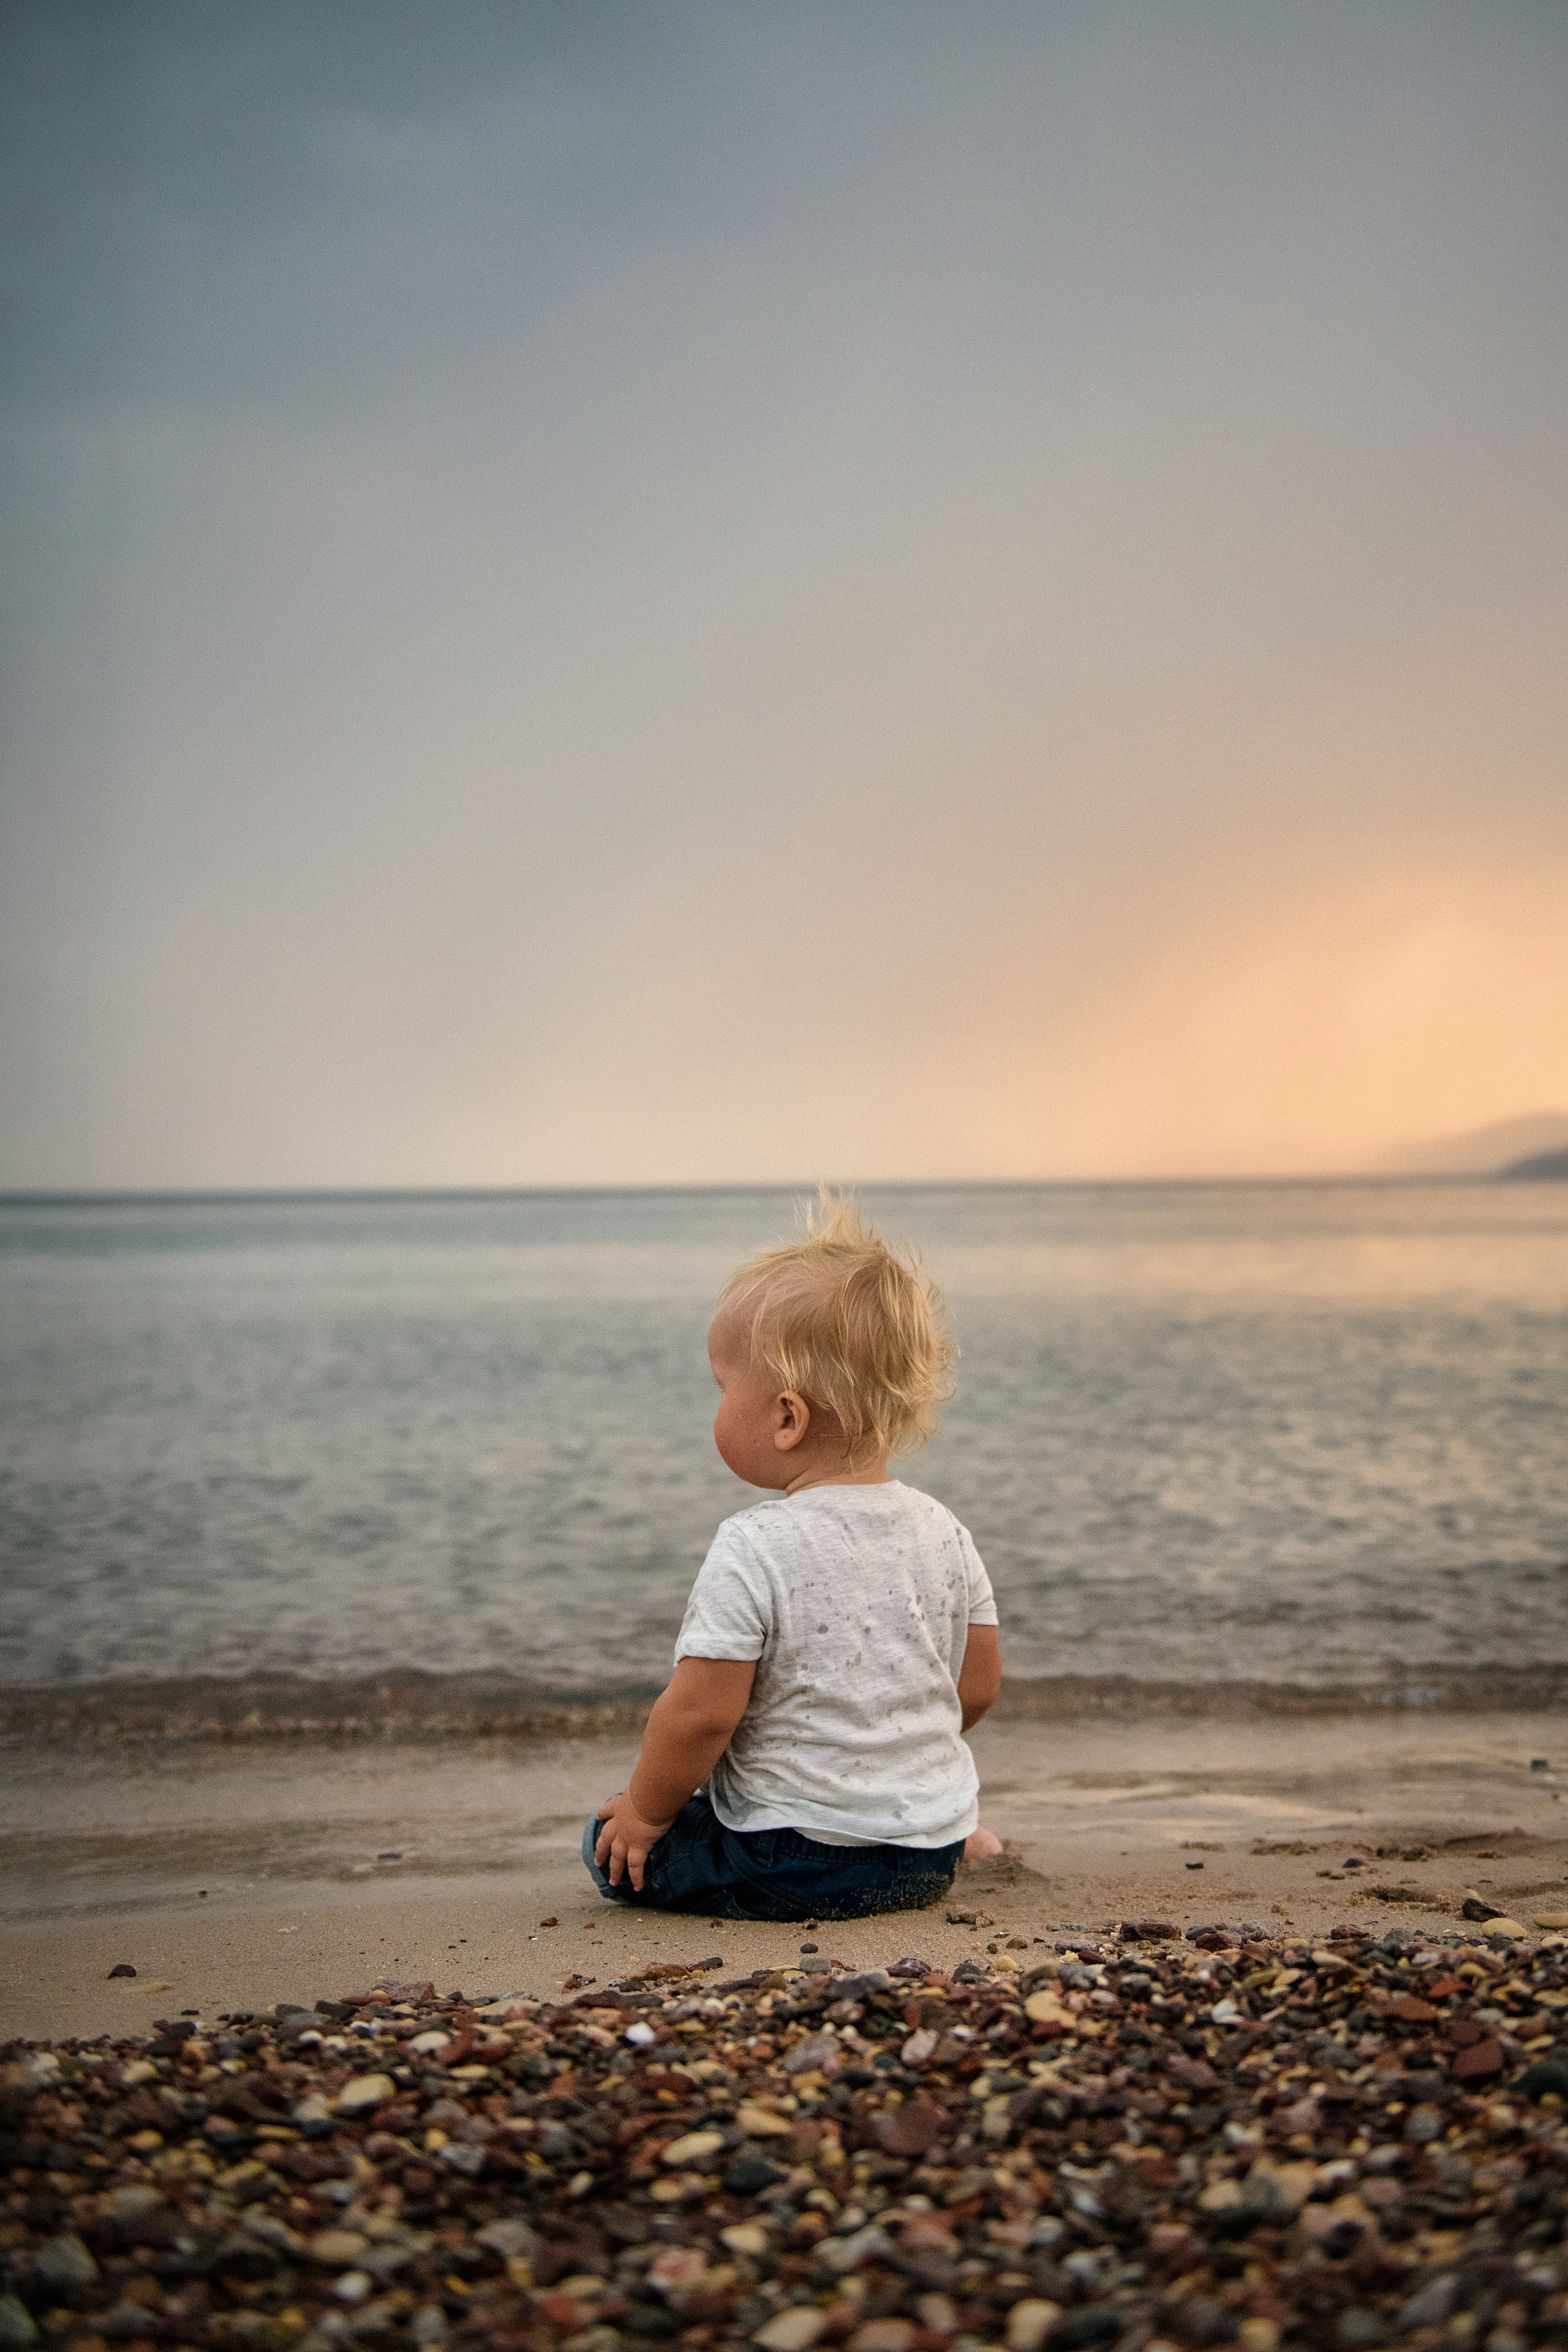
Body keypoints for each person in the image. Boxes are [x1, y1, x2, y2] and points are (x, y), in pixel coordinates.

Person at [582, 1194, 1003, 1921]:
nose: (713, 1407)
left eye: (721, 1388)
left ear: (786, 1417)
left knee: (607, 1842)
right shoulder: (944, 1531)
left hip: (793, 1860)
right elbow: (974, 1687)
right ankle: (967, 1841)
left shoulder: (754, 1543)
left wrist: (645, 1814)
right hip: (925, 1855)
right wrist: (891, 1765)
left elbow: (700, 1716)